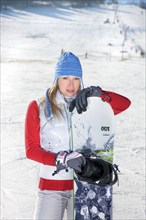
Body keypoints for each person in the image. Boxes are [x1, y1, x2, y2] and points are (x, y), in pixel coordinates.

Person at [25, 52, 131, 220]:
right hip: (51, 187)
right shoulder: (39, 107)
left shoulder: (90, 104)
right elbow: (31, 150)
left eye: (76, 78)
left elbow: (125, 104)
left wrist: (99, 94)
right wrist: (61, 159)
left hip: (85, 185)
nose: (71, 84)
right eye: (65, 77)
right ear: (56, 79)